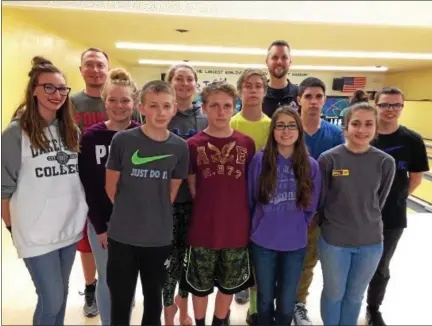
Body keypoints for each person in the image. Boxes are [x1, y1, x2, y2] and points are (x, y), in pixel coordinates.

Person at [1, 56, 88, 325]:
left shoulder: (71, 130)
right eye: (48, 87)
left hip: (68, 229)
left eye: (62, 88)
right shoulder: (17, 133)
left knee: (59, 298)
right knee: (51, 299)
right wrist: (14, 229)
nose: (57, 94)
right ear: (34, 90)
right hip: (36, 235)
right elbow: (4, 190)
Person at [105, 80, 189, 326]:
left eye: (166, 106)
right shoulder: (123, 141)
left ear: (174, 108)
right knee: (120, 301)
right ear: (141, 108)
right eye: (153, 106)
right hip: (123, 238)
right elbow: (111, 188)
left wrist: (153, 213)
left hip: (158, 239)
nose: (160, 112)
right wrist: (131, 213)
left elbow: (170, 193)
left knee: (153, 302)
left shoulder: (180, 147)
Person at [71, 47, 143, 318]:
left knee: (128, 280)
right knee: (107, 277)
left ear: (134, 102)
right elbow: (90, 185)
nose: (119, 105)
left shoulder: (143, 135)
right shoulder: (91, 137)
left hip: (136, 222)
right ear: (105, 101)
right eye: (113, 100)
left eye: (125, 100)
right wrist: (100, 226)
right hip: (103, 223)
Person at [180, 81, 256, 326]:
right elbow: (192, 187)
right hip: (202, 229)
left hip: (236, 229)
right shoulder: (192, 145)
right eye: (214, 105)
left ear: (234, 107)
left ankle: (219, 321)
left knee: (229, 285)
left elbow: (250, 185)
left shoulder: (247, 143)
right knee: (200, 288)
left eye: (226, 106)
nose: (221, 111)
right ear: (204, 108)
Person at [317, 102, 396, 325]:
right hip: (334, 241)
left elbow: (379, 200)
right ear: (346, 127)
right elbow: (321, 200)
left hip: (370, 242)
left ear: (376, 127)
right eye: (356, 124)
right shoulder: (329, 159)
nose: (362, 130)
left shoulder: (384, 162)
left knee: (354, 296)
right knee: (334, 294)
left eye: (368, 124)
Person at [248, 105, 321, 325]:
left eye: (291, 126)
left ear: (299, 130)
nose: (286, 131)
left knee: (287, 301)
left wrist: (296, 225)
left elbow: (311, 207)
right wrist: (260, 225)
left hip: (295, 244)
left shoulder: (311, 166)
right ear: (273, 131)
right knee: (264, 299)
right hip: (263, 242)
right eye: (280, 125)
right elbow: (250, 198)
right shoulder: (260, 161)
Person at [366, 87, 429, 326]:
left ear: (402, 107)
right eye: (384, 105)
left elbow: (415, 178)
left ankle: (373, 308)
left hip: (392, 216)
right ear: (376, 106)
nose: (390, 110)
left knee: (381, 266)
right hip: (360, 215)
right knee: (355, 264)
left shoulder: (412, 140)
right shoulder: (365, 134)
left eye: (396, 105)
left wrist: (394, 198)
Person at [293, 77, 345, 325]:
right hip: (287, 212)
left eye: (318, 97)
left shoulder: (335, 134)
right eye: (308, 96)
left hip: (320, 214)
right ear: (298, 100)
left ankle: (298, 303)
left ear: (324, 100)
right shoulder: (287, 131)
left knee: (307, 263)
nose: (313, 101)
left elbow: (340, 176)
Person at [163, 63, 208, 326]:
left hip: (196, 204)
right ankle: (168, 315)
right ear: (170, 83)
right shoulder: (161, 115)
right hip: (166, 204)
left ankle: (183, 312)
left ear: (196, 84)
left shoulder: (204, 119)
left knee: (188, 265)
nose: (184, 83)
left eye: (189, 79)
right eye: (178, 79)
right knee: (169, 265)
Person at [230, 68, 271, 323]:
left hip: (263, 202)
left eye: (258, 85)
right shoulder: (231, 123)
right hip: (235, 202)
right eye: (248, 85)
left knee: (259, 258)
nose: (253, 89)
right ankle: (239, 286)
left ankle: (254, 309)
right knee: (238, 254)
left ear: (265, 91)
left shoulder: (272, 125)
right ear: (240, 91)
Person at [263, 40, 299, 118]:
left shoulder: (300, 94)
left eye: (284, 57)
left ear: (290, 62)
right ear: (267, 61)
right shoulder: (257, 94)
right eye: (275, 57)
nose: (279, 62)